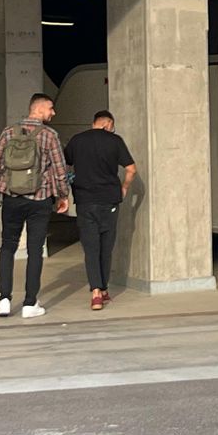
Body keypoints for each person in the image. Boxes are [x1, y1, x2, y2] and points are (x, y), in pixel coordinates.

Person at [0, 92, 69, 319]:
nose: (53, 113)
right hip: (40, 199)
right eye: (51, 108)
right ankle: (29, 303)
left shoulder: (8, 132)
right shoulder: (49, 135)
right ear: (39, 109)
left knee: (7, 247)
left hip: (12, 198)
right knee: (35, 250)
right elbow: (60, 170)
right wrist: (63, 195)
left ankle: (3, 300)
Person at [64, 109, 136, 310]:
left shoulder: (77, 141)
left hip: (85, 200)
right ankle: (103, 289)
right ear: (108, 124)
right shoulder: (115, 141)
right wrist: (124, 187)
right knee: (106, 245)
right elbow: (131, 169)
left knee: (90, 247)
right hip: (109, 200)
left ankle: (96, 292)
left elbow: (65, 163)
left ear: (94, 123)